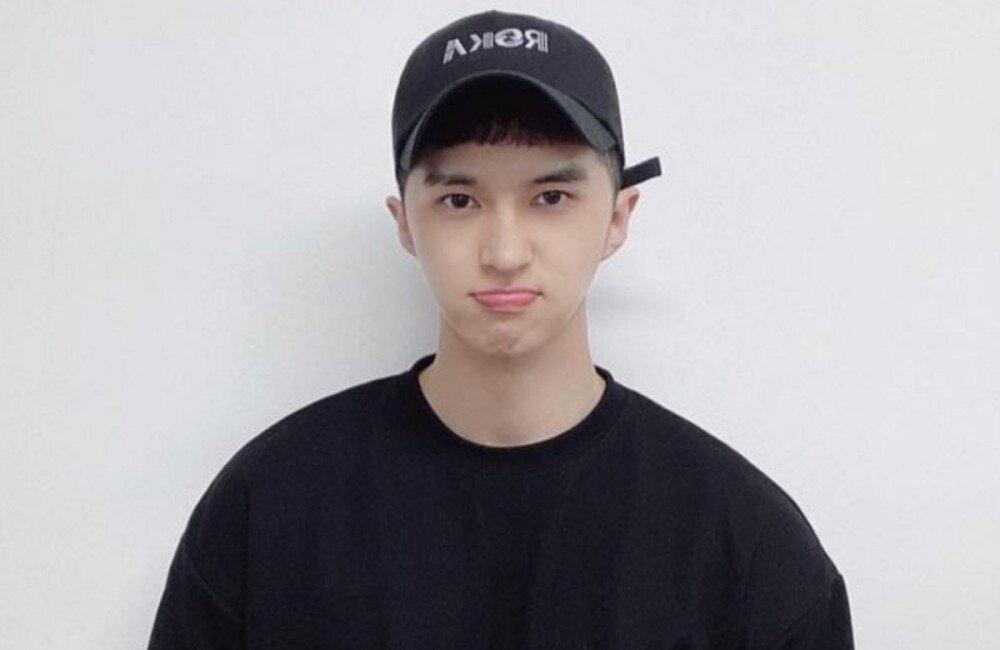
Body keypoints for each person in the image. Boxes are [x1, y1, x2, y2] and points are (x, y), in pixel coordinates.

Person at [148, 9, 854, 648]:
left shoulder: (746, 547)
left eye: (551, 196)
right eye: (460, 199)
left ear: (617, 217)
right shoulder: (271, 509)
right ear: (405, 223)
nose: (505, 251)